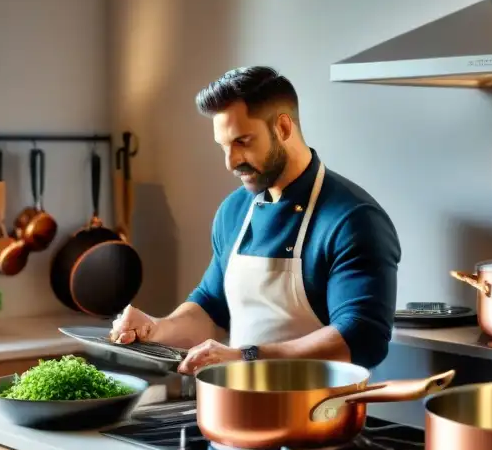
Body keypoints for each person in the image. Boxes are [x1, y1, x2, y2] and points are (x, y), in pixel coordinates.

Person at [110, 65, 401, 375]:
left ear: (284, 128)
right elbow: (212, 307)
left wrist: (247, 359)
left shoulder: (352, 219)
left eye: (242, 142)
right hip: (235, 408)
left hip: (319, 415)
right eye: (223, 146)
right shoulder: (234, 210)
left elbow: (362, 337)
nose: (231, 162)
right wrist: (155, 329)